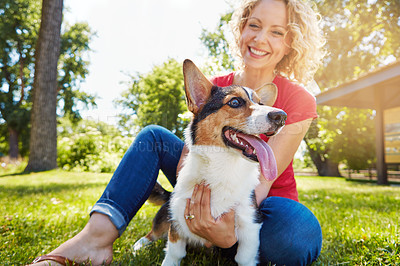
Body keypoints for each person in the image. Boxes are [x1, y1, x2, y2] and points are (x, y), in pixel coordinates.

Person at [30, 0, 326, 265]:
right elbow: (189, 157)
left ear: (290, 43)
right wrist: (194, 206)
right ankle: (94, 240)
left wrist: (229, 227)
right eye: (254, 25)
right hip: (207, 176)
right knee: (153, 136)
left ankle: (223, 241)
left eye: (277, 32)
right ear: (241, 29)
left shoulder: (299, 98)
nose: (260, 38)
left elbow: (264, 177)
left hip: (263, 200)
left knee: (297, 234)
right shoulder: (215, 87)